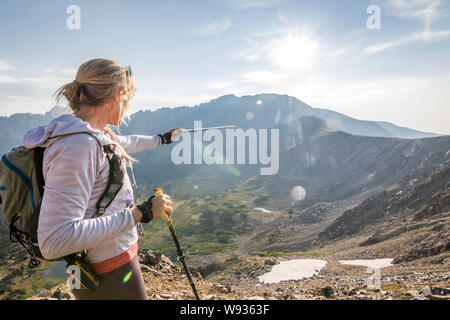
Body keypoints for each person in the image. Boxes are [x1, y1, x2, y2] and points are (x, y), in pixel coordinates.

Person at [22, 58, 181, 300]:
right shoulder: (78, 145)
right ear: (116, 95)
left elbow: (126, 144)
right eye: (127, 99)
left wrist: (162, 139)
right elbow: (54, 240)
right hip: (106, 273)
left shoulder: (92, 134)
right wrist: (140, 213)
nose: (128, 106)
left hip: (102, 264)